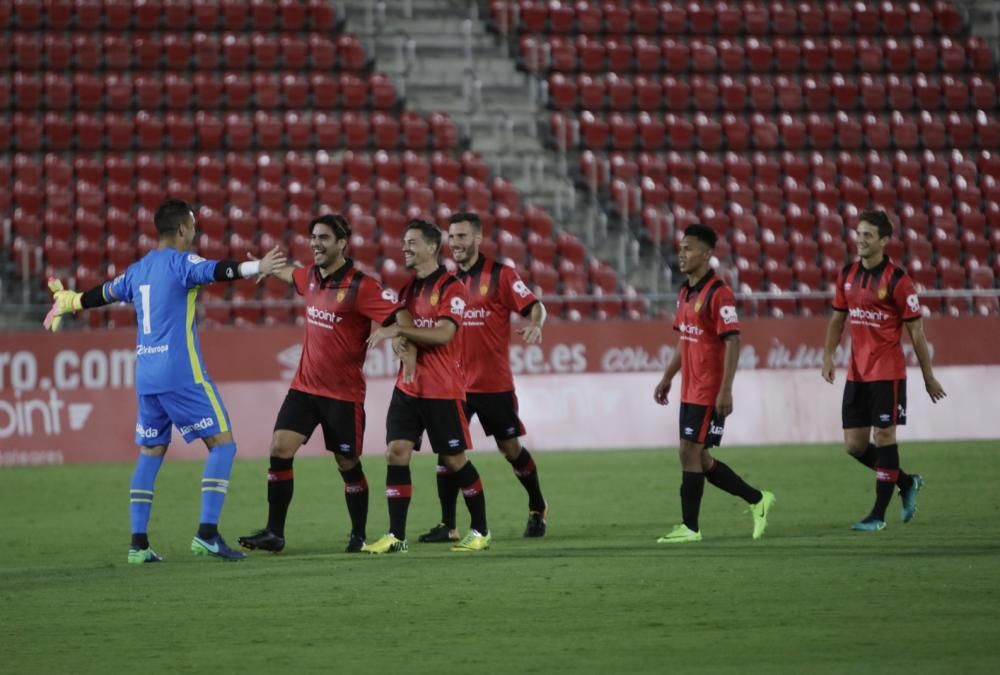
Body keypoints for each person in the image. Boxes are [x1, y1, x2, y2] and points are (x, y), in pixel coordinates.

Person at [42, 198, 286, 563]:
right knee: (223, 445)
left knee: (151, 452)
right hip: (181, 372)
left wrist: (69, 300)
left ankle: (138, 544)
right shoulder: (181, 263)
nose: (195, 233)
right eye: (193, 226)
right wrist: (257, 266)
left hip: (146, 376)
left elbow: (102, 294)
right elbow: (219, 271)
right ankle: (207, 533)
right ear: (183, 229)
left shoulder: (138, 270)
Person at [237, 214, 414, 554]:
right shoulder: (312, 277)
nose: (316, 243)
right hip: (304, 387)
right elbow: (292, 274)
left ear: (342, 242)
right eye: (313, 237)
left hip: (342, 396)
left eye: (324, 238)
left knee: (347, 465)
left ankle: (358, 534)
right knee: (279, 448)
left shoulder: (362, 286)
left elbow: (400, 315)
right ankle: (275, 532)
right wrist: (266, 267)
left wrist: (394, 333)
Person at [415, 212, 548, 545]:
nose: (455, 243)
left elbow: (535, 304)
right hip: (455, 384)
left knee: (510, 447)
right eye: (452, 237)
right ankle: (449, 525)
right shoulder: (447, 282)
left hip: (493, 384)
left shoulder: (501, 275)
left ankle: (537, 506)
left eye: (461, 237)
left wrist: (536, 323)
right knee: (448, 452)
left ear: (477, 238)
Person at [363, 219, 492, 554]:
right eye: (403, 242)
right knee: (396, 452)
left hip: (442, 389)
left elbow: (444, 334)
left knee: (454, 460)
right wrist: (402, 346)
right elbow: (407, 330)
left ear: (433, 247)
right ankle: (396, 537)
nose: (404, 248)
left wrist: (398, 333)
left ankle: (480, 531)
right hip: (408, 387)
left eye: (412, 242)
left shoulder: (452, 287)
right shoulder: (407, 290)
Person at [821, 210, 946, 531]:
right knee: (855, 446)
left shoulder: (898, 281)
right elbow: (837, 320)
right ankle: (907, 482)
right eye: (858, 234)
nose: (861, 241)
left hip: (888, 372)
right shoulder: (846, 274)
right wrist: (828, 356)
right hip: (857, 373)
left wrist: (929, 376)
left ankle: (878, 515)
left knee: (885, 435)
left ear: (884, 241)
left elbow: (916, 332)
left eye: (868, 236)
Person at [653, 223, 775, 543]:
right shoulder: (685, 291)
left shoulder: (719, 293)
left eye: (688, 248)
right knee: (700, 458)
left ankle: (690, 528)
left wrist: (726, 389)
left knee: (688, 451)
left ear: (707, 254)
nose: (681, 254)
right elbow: (685, 341)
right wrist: (668, 377)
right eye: (680, 248)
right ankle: (757, 499)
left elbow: (733, 341)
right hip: (689, 389)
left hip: (709, 389)